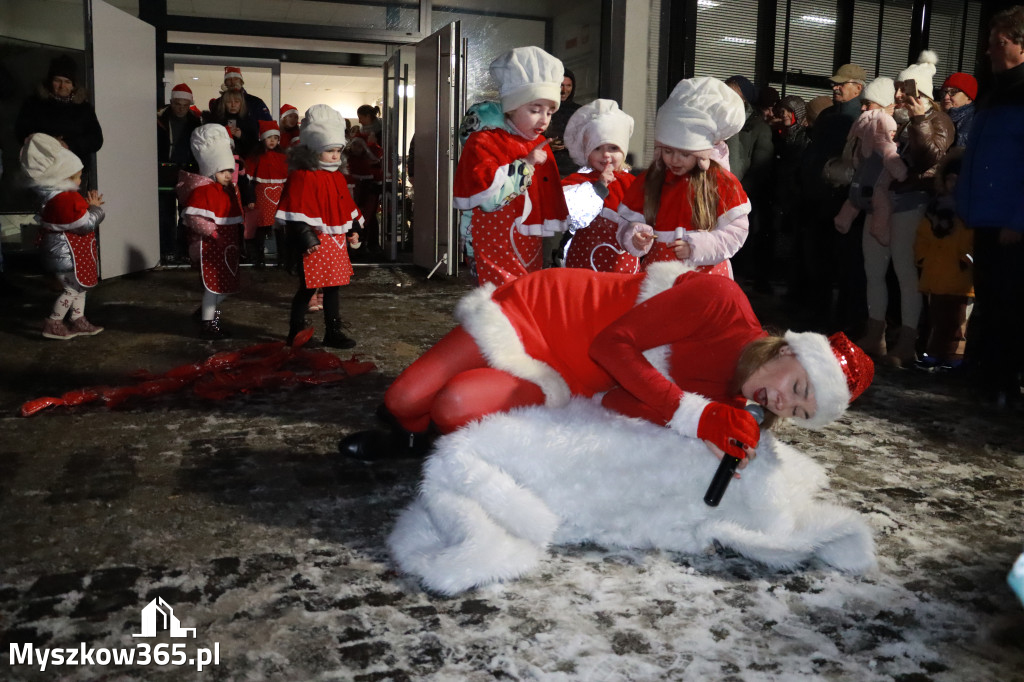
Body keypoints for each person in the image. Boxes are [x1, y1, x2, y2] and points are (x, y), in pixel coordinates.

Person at [338, 262, 874, 461]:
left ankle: (415, 444)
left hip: (565, 374)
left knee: (454, 406)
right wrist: (692, 415)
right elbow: (611, 345)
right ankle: (405, 428)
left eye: (798, 413)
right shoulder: (722, 302)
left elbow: (618, 395)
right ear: (790, 350)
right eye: (799, 387)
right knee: (402, 398)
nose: (784, 403)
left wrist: (702, 425)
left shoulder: (726, 402)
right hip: (545, 311)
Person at [860, 51, 954, 367]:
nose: (898, 95)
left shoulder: (937, 121)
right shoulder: (904, 120)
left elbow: (931, 156)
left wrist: (917, 120)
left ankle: (907, 341)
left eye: (904, 88)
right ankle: (876, 333)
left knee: (904, 274)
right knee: (874, 270)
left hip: (912, 202)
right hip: (887, 201)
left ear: (920, 91)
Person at [452, 46, 569, 287]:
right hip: (493, 244)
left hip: (528, 246)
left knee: (523, 301)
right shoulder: (485, 140)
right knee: (497, 307)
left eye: (550, 111)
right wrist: (526, 165)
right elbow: (487, 199)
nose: (544, 119)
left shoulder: (538, 144)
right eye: (535, 110)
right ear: (511, 107)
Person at [955, 5, 1024, 407]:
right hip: (986, 216)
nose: (991, 51)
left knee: (1010, 305)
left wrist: (1019, 218)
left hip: (1011, 223)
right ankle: (985, 374)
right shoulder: (996, 93)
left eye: (1000, 44)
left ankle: (1003, 382)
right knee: (991, 300)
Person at [616, 77, 749, 279]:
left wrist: (698, 247)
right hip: (657, 279)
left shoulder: (720, 182)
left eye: (685, 154)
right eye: (668, 151)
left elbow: (735, 233)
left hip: (706, 278)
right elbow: (626, 223)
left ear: (702, 153)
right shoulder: (652, 179)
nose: (675, 160)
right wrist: (635, 236)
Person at [276, 105, 362, 349]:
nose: (335, 156)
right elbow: (295, 210)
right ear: (314, 150)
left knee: (334, 287)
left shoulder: (336, 176)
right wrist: (307, 238)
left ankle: (333, 330)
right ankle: (295, 330)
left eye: (338, 151)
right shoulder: (303, 176)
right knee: (308, 288)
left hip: (334, 240)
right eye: (329, 151)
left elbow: (344, 204)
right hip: (314, 242)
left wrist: (354, 226)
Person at [800, 63, 867, 333]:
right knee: (819, 259)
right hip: (818, 195)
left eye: (842, 83)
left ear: (858, 88)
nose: (835, 87)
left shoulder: (860, 118)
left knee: (845, 262)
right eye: (835, 83)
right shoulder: (829, 114)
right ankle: (819, 314)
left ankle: (844, 321)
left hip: (841, 197)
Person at [20, 133, 105, 340]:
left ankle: (78, 319)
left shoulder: (56, 196)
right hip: (65, 253)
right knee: (71, 290)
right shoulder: (64, 200)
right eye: (77, 176)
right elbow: (84, 224)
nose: (80, 180)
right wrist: (95, 210)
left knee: (79, 287)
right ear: (63, 177)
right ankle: (54, 322)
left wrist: (87, 207)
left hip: (64, 250)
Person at [177, 124, 244, 340]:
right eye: (223, 171)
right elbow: (193, 217)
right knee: (213, 288)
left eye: (230, 171)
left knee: (223, 287)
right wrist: (213, 232)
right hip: (210, 246)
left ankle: (206, 314)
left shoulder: (228, 191)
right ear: (212, 169)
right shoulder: (203, 191)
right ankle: (210, 324)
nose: (228, 175)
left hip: (227, 246)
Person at [561, 99, 638, 273]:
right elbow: (569, 214)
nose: (606, 155)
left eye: (613, 148)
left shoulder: (632, 184)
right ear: (586, 150)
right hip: (582, 262)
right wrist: (598, 188)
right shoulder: (578, 180)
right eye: (597, 148)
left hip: (623, 265)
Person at [915, 153, 973, 370]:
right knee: (937, 320)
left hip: (962, 280)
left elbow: (973, 242)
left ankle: (955, 357)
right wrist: (922, 258)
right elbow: (922, 236)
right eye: (950, 179)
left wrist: (966, 259)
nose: (954, 184)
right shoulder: (934, 209)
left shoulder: (970, 212)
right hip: (936, 274)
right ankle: (934, 354)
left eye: (959, 180)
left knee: (959, 324)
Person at [15, 54, 103, 181]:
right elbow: (22, 131)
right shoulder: (34, 103)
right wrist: (48, 142)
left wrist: (68, 144)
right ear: (50, 81)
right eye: (58, 80)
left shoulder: (83, 108)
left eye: (67, 81)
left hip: (74, 176)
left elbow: (96, 139)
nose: (62, 86)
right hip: (41, 173)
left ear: (73, 84)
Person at [157, 83, 202, 263]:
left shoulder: (195, 122)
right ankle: (167, 248)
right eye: (178, 104)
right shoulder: (159, 120)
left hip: (187, 170)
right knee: (165, 213)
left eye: (185, 105)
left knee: (186, 214)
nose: (181, 108)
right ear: (171, 102)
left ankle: (183, 249)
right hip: (164, 170)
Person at [245, 120, 288, 269]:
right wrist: (250, 198)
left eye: (275, 138)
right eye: (269, 138)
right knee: (261, 228)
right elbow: (249, 180)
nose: (272, 141)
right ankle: (259, 258)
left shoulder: (283, 157)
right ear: (263, 138)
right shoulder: (255, 157)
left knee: (280, 229)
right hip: (262, 196)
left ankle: (283, 258)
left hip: (279, 196)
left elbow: (288, 180)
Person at [345, 133, 383, 256]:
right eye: (354, 144)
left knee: (368, 218)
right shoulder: (347, 160)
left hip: (366, 193)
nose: (356, 148)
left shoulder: (368, 162)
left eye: (359, 145)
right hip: (353, 194)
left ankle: (366, 244)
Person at [205, 90, 258, 159]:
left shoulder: (249, 122)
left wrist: (241, 135)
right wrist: (223, 133)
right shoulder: (216, 121)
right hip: (220, 160)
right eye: (229, 102)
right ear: (224, 104)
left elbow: (255, 146)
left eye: (236, 102)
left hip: (244, 162)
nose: (233, 105)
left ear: (241, 103)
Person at [938, 72, 977, 147]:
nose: (946, 97)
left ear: (968, 98)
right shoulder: (937, 116)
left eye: (953, 92)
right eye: (944, 92)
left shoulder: (973, 122)